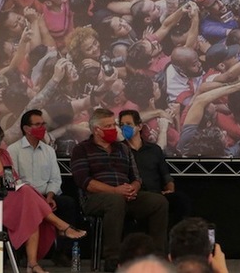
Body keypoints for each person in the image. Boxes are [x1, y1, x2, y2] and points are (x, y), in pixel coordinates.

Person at [70, 108, 169, 272]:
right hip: (95, 199)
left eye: (114, 125)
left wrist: (133, 189)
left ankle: (158, 256)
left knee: (158, 202)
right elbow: (84, 181)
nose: (114, 129)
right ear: (97, 130)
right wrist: (115, 191)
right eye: (109, 126)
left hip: (126, 196)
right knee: (114, 201)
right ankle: (112, 258)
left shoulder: (123, 149)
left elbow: (137, 177)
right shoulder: (82, 149)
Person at [0, 117, 86, 273]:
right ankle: (60, 226)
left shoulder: (3, 155)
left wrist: (13, 184)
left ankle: (33, 263)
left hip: (6, 197)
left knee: (29, 203)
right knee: (28, 196)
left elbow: (12, 179)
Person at [7, 109, 80, 266]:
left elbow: (55, 178)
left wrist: (50, 195)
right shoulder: (13, 150)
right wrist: (37, 198)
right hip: (24, 198)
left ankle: (61, 253)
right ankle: (23, 254)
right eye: (38, 124)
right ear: (26, 129)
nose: (42, 128)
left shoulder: (48, 150)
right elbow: (14, 180)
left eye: (43, 124)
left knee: (68, 203)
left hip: (47, 196)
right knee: (27, 205)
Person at [120, 110, 191, 228]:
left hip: (157, 194)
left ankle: (178, 239)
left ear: (139, 126)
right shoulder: (119, 150)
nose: (124, 128)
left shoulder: (154, 150)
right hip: (134, 197)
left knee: (181, 200)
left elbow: (166, 177)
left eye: (128, 124)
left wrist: (170, 189)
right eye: (122, 125)